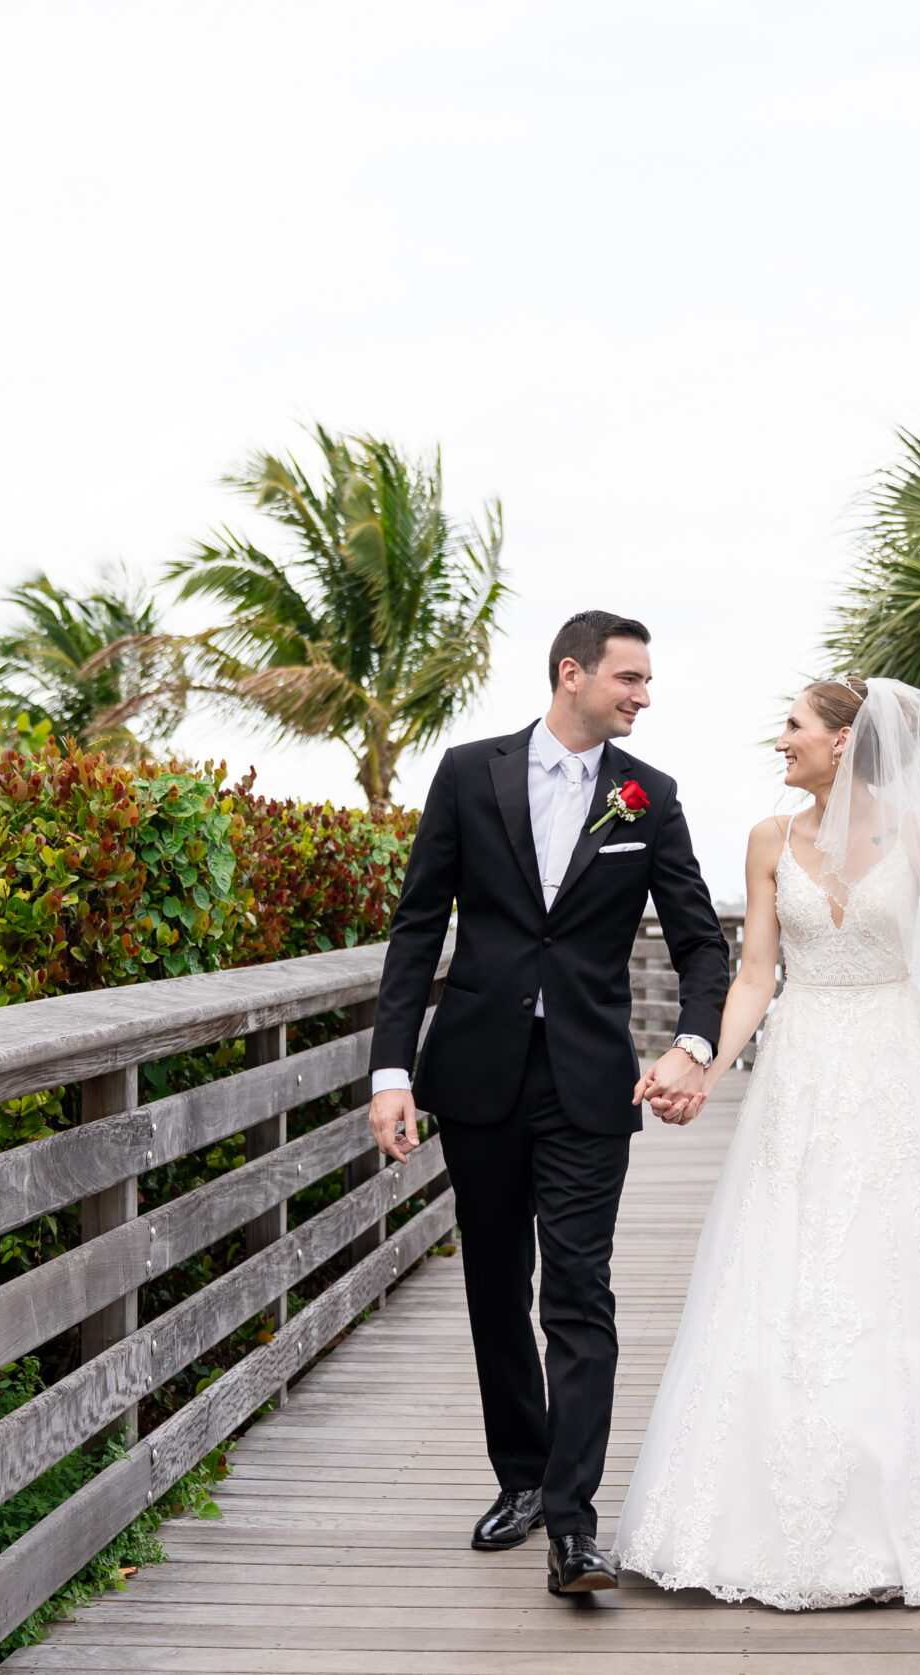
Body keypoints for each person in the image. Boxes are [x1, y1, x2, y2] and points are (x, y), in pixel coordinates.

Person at [616, 675, 920, 1609]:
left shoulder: (919, 834)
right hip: (802, 1071)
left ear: (844, 739)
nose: (781, 741)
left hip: (898, 1065)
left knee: (915, 1268)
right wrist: (710, 1066)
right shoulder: (769, 838)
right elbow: (755, 974)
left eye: (794, 725)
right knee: (791, 1267)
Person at [367, 610, 731, 1598]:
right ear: (572, 673)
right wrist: (391, 1071)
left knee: (578, 1292)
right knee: (494, 1284)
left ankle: (575, 1526)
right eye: (628, 678)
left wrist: (694, 1044)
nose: (644, 695)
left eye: (646, 680)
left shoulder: (648, 796)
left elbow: (702, 942)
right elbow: (416, 927)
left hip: (588, 1080)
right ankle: (521, 1477)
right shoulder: (468, 773)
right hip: (476, 1073)